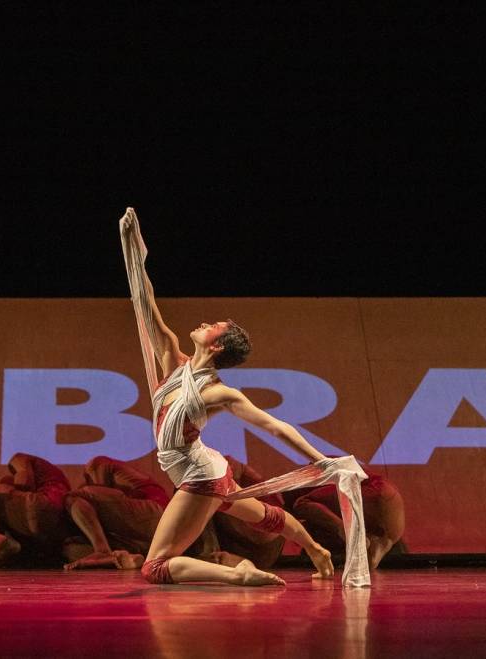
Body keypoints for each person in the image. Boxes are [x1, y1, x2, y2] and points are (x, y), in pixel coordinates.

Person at [119, 208, 337, 586]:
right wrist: (132, 250)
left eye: (212, 326)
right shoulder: (172, 359)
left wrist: (322, 461)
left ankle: (240, 574)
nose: (203, 324)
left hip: (199, 475)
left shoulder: (217, 392)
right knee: (263, 515)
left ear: (217, 346)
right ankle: (316, 549)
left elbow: (274, 426)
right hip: (206, 467)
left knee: (155, 567)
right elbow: (144, 302)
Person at [61, 455, 170, 570]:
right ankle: (130, 559)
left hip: (158, 512)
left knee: (73, 497)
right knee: (70, 548)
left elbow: (101, 497)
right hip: (149, 539)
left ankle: (102, 551)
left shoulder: (97, 465)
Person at [289, 470, 405, 569]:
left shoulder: (296, 488)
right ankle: (374, 554)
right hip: (391, 504)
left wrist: (342, 527)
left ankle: (349, 532)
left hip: (376, 494)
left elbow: (302, 504)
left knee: (302, 505)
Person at [0, 452, 74, 568]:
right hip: (58, 521)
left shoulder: (19, 458)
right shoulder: (50, 474)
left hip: (43, 504)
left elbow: (25, 483)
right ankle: (6, 545)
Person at [207, 455, 288, 570]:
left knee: (203, 493)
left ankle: (209, 555)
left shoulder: (226, 474)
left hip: (258, 550)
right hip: (260, 549)